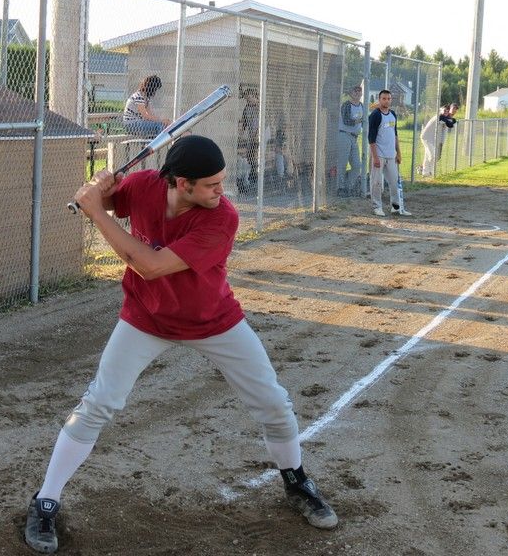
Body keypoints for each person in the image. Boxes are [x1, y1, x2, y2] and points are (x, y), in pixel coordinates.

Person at [24, 135, 338, 554]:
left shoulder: (222, 218)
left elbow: (151, 266)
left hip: (214, 321)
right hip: (146, 318)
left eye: (221, 181)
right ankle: (45, 501)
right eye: (211, 184)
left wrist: (96, 212)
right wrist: (100, 189)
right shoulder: (145, 187)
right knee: (98, 403)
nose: (222, 190)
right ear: (181, 183)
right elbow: (110, 201)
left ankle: (296, 480)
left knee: (273, 403)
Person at [368, 89, 411, 216]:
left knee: (394, 182)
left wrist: (399, 153)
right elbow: (371, 138)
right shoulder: (375, 115)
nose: (386, 101)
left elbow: (395, 135)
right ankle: (377, 207)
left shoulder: (392, 114)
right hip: (379, 155)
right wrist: (375, 157)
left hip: (391, 155)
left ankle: (396, 207)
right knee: (376, 182)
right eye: (384, 98)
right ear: (379, 100)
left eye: (389, 99)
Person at [336, 84, 365, 197]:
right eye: (355, 91)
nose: (357, 93)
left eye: (359, 91)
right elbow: (347, 121)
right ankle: (340, 188)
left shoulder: (362, 106)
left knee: (357, 165)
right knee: (342, 163)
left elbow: (364, 122)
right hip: (344, 135)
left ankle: (349, 186)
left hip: (354, 137)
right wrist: (360, 120)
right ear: (350, 93)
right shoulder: (347, 105)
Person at [419, 103, 458, 176]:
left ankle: (425, 172)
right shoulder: (440, 116)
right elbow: (450, 124)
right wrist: (451, 119)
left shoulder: (445, 117)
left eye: (447, 111)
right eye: (445, 111)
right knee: (432, 156)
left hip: (432, 139)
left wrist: (451, 119)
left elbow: (451, 123)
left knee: (428, 156)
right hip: (426, 137)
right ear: (441, 110)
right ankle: (430, 171)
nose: (446, 112)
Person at [237, 88, 260, 191]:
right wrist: (242, 131)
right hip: (250, 134)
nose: (248, 101)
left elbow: (258, 123)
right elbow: (244, 121)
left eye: (250, 99)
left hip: (257, 134)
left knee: (254, 154)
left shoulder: (258, 107)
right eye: (247, 99)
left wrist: (255, 134)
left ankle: (254, 175)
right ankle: (247, 178)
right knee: (248, 156)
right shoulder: (246, 108)